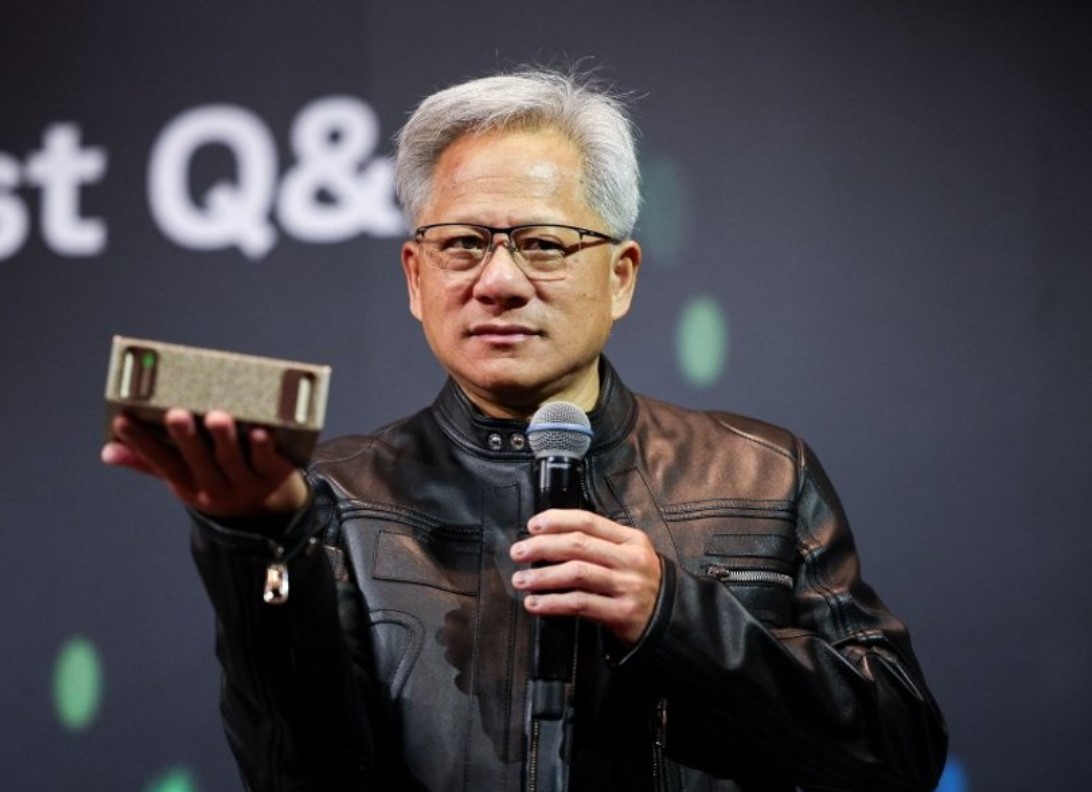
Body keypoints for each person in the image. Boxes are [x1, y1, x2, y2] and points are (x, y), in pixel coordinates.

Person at [102, 68, 948, 792]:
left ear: (620, 276)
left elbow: (900, 753)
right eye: (464, 244)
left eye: (543, 243)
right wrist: (256, 539)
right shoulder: (337, 496)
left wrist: (674, 616)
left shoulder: (761, 474)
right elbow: (300, 776)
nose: (499, 281)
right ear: (415, 277)